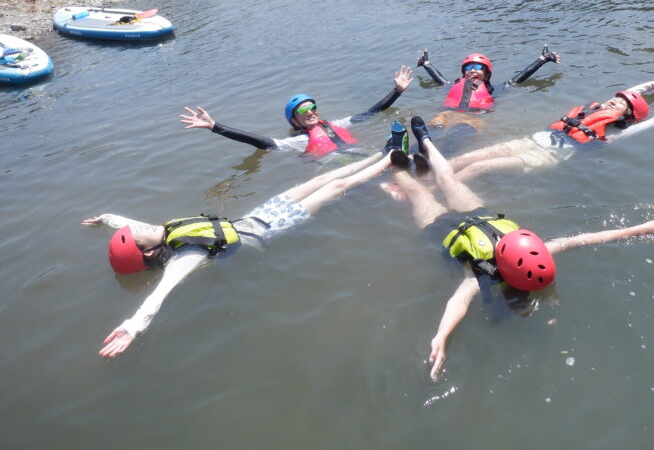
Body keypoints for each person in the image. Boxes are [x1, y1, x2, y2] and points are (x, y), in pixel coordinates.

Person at [386, 117, 654, 381]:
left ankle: (396, 163)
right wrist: (641, 228)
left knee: (417, 191)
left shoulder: (480, 277)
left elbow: (458, 303)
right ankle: (424, 139)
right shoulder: (537, 252)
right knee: (447, 177)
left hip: (443, 230)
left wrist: (441, 336)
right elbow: (584, 239)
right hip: (478, 214)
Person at [82, 151, 394, 358]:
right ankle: (391, 159)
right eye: (139, 234)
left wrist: (105, 219)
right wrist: (132, 327)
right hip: (268, 230)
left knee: (316, 180)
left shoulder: (160, 233)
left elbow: (127, 223)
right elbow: (158, 296)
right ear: (148, 251)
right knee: (335, 186)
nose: (143, 225)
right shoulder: (185, 256)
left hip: (254, 216)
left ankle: (378, 153)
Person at [447, 81, 654, 182]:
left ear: (627, 116)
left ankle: (434, 190)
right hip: (529, 141)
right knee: (465, 159)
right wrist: (651, 85)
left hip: (545, 157)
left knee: (477, 169)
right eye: (615, 98)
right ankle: (425, 180)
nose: (614, 101)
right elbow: (630, 93)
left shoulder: (615, 134)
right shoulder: (596, 109)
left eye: (621, 104)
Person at [180, 65, 414, 158]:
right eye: (304, 111)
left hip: (360, 154)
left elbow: (371, 112)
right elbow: (260, 142)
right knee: (386, 156)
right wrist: (214, 126)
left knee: (401, 154)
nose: (311, 112)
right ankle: (393, 153)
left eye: (313, 107)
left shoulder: (337, 124)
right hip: (342, 166)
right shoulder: (299, 141)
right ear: (295, 120)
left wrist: (397, 91)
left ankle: (398, 152)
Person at [416, 45, 560, 115]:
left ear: (486, 74)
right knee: (437, 123)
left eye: (477, 67)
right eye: (468, 68)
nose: (472, 70)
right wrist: (426, 64)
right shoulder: (455, 86)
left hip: (473, 117)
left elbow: (519, 78)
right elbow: (440, 79)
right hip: (449, 112)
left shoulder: (494, 90)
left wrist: (542, 60)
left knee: (461, 131)